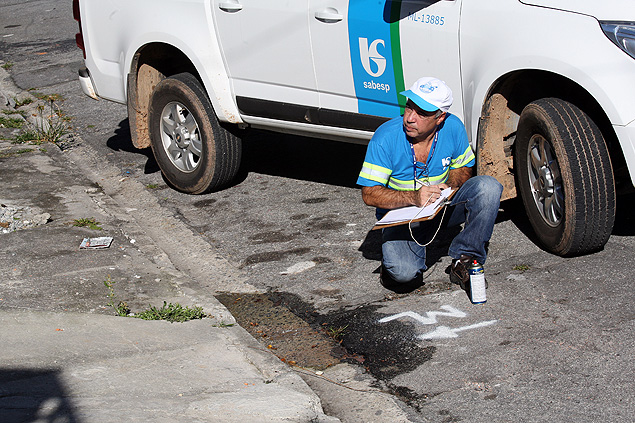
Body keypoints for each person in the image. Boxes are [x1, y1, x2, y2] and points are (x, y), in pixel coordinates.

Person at [357, 77, 503, 290]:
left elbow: (463, 167)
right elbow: (369, 194)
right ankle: (392, 264)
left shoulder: (453, 127)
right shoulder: (386, 137)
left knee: (488, 187)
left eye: (421, 113)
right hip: (404, 218)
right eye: (409, 108)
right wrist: (415, 197)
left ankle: (465, 260)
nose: (409, 118)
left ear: (440, 118)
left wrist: (450, 187)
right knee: (404, 276)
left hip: (441, 208)